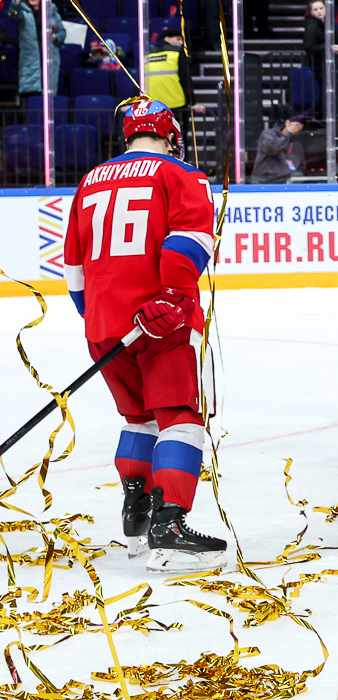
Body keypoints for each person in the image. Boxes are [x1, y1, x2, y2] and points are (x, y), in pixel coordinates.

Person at [60, 99, 224, 572]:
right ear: (170, 134)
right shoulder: (182, 174)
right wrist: (173, 297)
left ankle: (137, 518)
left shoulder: (90, 180)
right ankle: (169, 526)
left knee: (138, 419)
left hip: (104, 327)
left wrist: (96, 316)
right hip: (161, 322)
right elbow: (187, 242)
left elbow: (73, 264)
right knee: (180, 419)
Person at [252, 111, 314, 182]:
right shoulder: (268, 134)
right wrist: (289, 133)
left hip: (287, 181)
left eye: (300, 128)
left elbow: (301, 166)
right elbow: (272, 149)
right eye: (296, 126)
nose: (297, 129)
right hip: (265, 181)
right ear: (287, 123)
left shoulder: (297, 145)